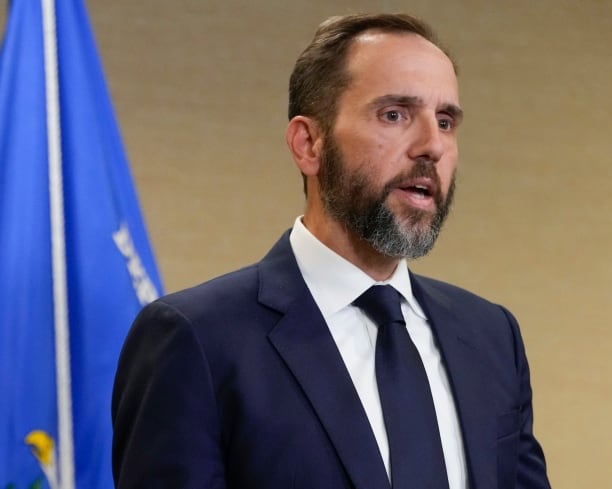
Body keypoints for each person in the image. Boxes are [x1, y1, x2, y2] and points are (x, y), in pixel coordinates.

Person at [112, 13, 551, 489]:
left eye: (445, 121)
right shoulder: (196, 338)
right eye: (395, 114)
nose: (432, 146)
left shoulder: (491, 338)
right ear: (308, 144)